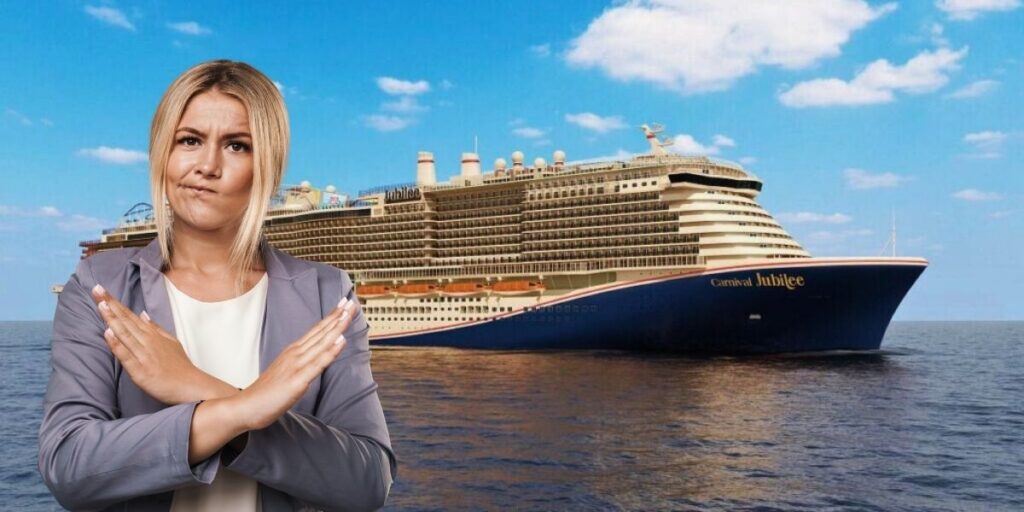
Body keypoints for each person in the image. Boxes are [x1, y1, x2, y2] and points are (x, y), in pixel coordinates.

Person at [37, 60, 395, 511]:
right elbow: (68, 465)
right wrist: (243, 409)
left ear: (268, 166)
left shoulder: (327, 294)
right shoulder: (100, 286)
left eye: (237, 146)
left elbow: (367, 482)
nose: (206, 165)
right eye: (189, 140)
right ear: (162, 153)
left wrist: (191, 384)